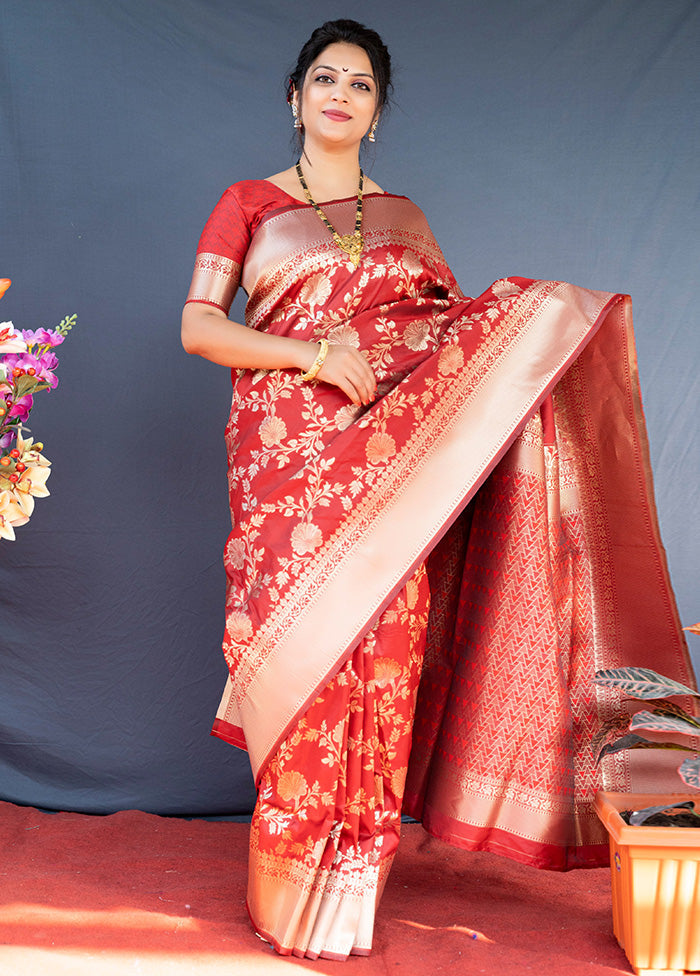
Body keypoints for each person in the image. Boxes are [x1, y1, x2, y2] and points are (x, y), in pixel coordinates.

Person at [182, 19, 693, 961]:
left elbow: (444, 340)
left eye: (362, 84)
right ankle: (288, 884)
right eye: (325, 78)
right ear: (294, 98)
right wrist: (314, 355)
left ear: (375, 114)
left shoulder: (405, 218)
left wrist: (535, 332)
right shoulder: (248, 204)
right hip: (286, 454)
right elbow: (200, 330)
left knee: (384, 645)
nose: (341, 94)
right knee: (304, 644)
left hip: (387, 461)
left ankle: (348, 890)